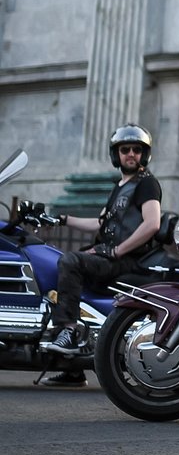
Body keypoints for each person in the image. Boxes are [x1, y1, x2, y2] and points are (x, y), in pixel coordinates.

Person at [39, 124, 163, 386]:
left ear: (145, 154)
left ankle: (68, 331)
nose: (130, 154)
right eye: (125, 149)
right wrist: (60, 219)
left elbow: (152, 223)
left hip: (125, 261)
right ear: (115, 154)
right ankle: (72, 368)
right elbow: (99, 224)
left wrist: (117, 250)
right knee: (58, 265)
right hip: (110, 257)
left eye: (136, 150)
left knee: (71, 261)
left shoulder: (146, 184)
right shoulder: (121, 186)